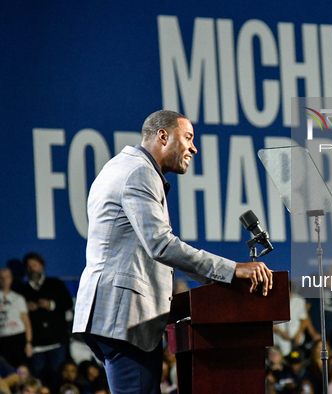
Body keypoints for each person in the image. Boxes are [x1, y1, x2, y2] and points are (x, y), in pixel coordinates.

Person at [72, 110, 273, 393]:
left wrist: (213, 281)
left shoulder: (122, 166)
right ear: (163, 135)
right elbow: (162, 245)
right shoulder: (139, 172)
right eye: (188, 137)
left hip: (111, 313)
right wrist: (232, 269)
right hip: (125, 316)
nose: (194, 147)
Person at [18, 253, 73, 386]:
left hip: (57, 341)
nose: (32, 269)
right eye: (29, 266)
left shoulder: (55, 284)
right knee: (38, 380)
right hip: (36, 344)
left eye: (35, 265)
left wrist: (51, 304)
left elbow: (68, 303)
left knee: (57, 377)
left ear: (42, 266)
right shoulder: (22, 290)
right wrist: (26, 308)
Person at [0, 268, 33, 369]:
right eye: (1, 278)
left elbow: (26, 322)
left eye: (7, 277)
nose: (4, 280)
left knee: (21, 369)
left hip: (17, 339)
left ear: (11, 279)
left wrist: (28, 343)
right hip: (2, 339)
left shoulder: (18, 298)